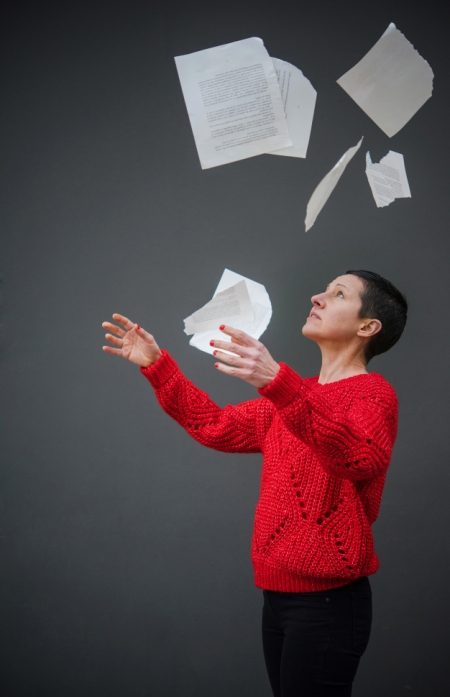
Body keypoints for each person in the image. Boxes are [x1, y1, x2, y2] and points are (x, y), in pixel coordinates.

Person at [102, 270, 407, 697]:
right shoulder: (292, 396)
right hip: (277, 596)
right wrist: (157, 366)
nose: (317, 297)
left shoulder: (373, 395)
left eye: (338, 294)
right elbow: (213, 425)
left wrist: (276, 382)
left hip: (329, 604)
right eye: (323, 289)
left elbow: (359, 455)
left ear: (367, 327)